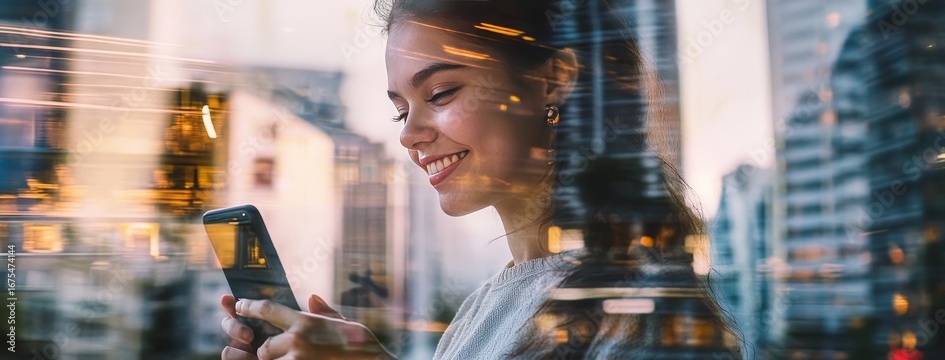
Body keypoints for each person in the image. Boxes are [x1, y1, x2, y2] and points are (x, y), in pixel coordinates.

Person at [219, 0, 743, 359]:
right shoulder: (485, 305)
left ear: (553, 80)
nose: (410, 136)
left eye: (441, 93)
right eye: (401, 112)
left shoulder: (641, 308)